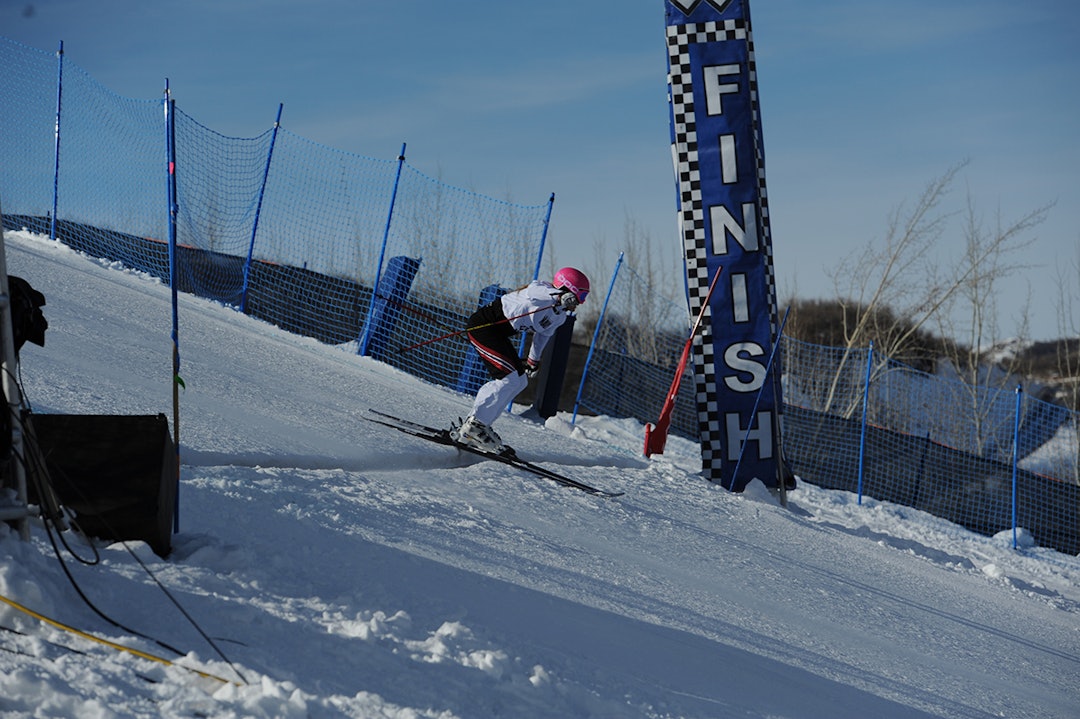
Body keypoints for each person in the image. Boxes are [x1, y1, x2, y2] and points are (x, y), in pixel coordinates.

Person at [450, 267, 590, 454]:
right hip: (483, 327)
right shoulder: (541, 291)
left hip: (499, 335)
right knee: (509, 379)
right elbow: (533, 291)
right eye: (580, 296)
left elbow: (543, 336)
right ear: (568, 289)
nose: (581, 302)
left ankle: (478, 426)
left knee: (520, 380)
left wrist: (533, 360)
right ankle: (474, 425)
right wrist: (557, 295)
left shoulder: (560, 316)